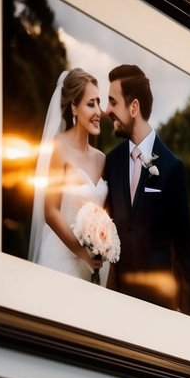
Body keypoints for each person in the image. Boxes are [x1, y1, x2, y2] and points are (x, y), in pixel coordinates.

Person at [104, 65, 190, 314]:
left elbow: (186, 253)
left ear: (133, 107)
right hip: (116, 304)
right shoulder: (111, 162)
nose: (107, 110)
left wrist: (185, 320)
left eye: (113, 101)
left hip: (159, 309)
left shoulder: (172, 168)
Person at [28, 69, 110, 283]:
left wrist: (100, 247)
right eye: (90, 104)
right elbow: (51, 211)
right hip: (61, 260)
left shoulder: (101, 159)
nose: (98, 112)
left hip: (95, 266)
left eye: (98, 103)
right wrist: (82, 252)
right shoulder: (58, 147)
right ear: (74, 107)